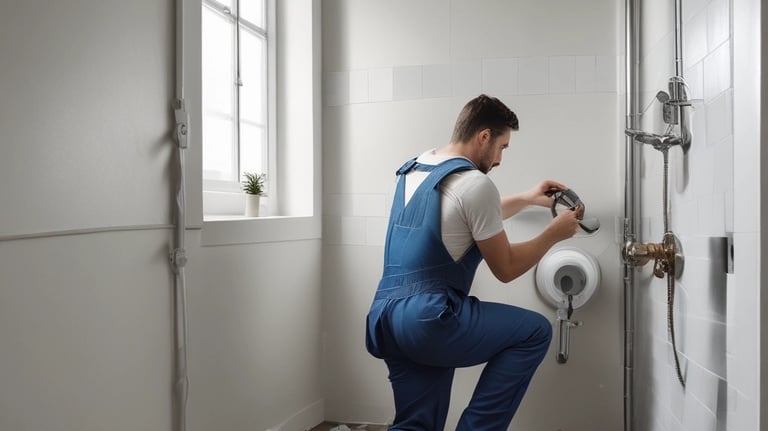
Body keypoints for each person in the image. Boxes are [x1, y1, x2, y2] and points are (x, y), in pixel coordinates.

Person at [365, 94, 584, 431]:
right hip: (430, 317)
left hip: (387, 319)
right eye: (502, 147)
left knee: (417, 425)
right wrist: (554, 233)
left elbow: (463, 216)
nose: (499, 159)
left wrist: (526, 199)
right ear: (484, 136)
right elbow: (506, 268)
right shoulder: (476, 183)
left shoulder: (416, 168)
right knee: (535, 331)